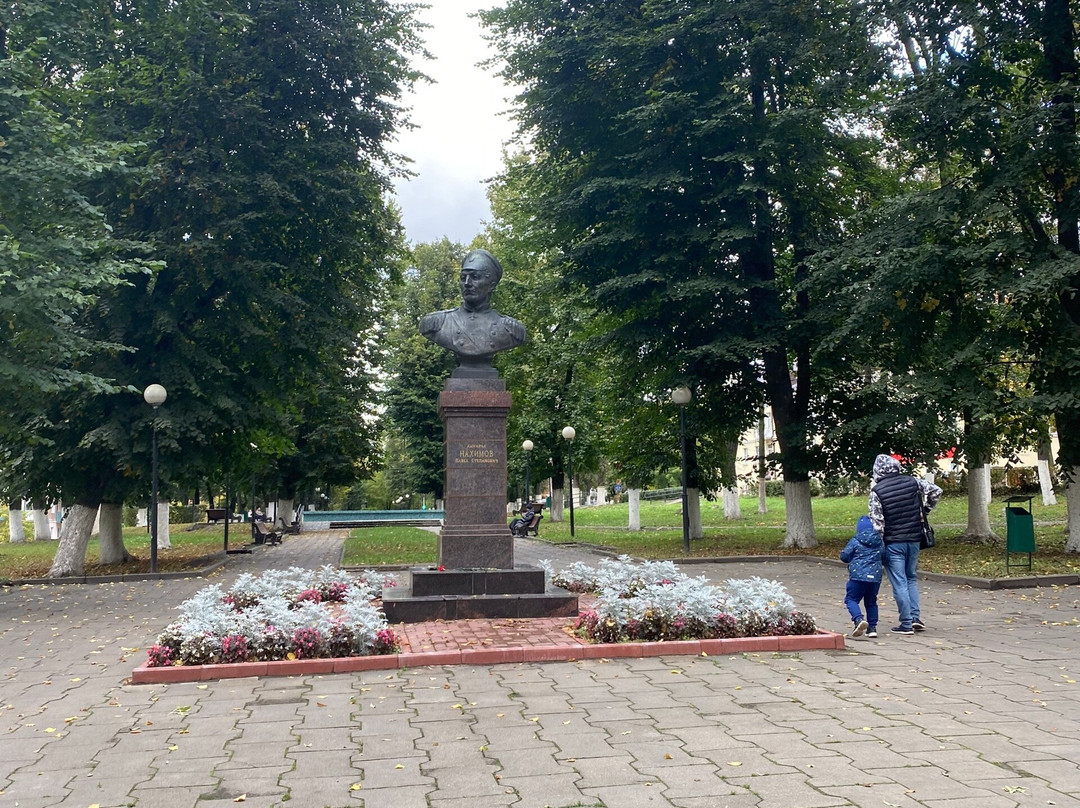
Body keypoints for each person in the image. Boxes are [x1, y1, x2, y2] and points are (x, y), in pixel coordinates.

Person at [419, 249, 525, 378]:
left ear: (491, 285)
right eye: (463, 278)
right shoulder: (438, 322)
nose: (467, 283)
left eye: (475, 277)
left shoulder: (510, 329)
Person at [868, 454, 942, 635]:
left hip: (893, 543)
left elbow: (877, 523)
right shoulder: (913, 482)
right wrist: (925, 510)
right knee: (911, 578)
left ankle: (906, 623)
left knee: (899, 581)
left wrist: (878, 547)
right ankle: (916, 617)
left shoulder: (877, 491)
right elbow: (936, 491)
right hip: (915, 539)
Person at [840, 515, 885, 638]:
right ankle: (872, 628)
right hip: (875, 577)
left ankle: (858, 619)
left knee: (851, 599)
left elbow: (845, 556)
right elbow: (884, 556)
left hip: (857, 576)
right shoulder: (879, 541)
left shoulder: (855, 540)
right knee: (871, 602)